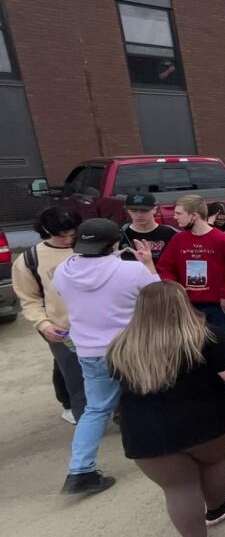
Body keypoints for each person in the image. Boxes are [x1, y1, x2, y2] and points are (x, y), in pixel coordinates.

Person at [108, 281, 225, 537]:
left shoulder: (120, 347)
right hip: (209, 424)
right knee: (214, 463)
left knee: (178, 488)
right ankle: (218, 507)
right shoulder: (208, 336)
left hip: (149, 436)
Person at [54, 218, 159, 494]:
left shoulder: (64, 270)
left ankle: (80, 470)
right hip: (130, 347)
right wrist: (148, 263)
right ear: (115, 243)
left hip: (88, 350)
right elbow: (159, 297)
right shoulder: (132, 270)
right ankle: (156, 451)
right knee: (146, 398)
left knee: (96, 408)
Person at [157, 195, 225, 407]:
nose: (175, 218)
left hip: (217, 305)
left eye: (179, 214)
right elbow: (165, 267)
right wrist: (174, 289)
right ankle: (204, 386)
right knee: (193, 345)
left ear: (194, 215)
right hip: (188, 305)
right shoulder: (178, 240)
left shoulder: (221, 239)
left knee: (223, 344)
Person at [13, 207, 85, 424]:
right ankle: (79, 414)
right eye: (61, 235)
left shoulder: (89, 247)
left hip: (98, 326)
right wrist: (43, 324)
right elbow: (29, 300)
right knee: (74, 377)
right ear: (45, 230)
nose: (67, 240)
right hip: (62, 329)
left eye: (71, 234)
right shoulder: (29, 260)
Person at [120, 193, 177, 263]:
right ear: (127, 210)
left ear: (155, 209)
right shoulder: (121, 235)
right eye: (134, 211)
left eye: (144, 211)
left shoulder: (171, 234)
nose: (139, 215)